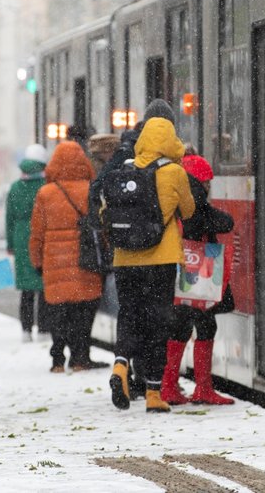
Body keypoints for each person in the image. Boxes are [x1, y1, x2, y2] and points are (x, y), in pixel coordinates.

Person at [107, 115, 195, 413]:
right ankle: (154, 392)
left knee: (130, 314)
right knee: (158, 322)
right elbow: (189, 209)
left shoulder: (124, 170)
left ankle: (121, 365)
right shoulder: (174, 172)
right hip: (161, 258)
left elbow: (106, 210)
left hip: (125, 258)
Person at [160, 154, 236, 405]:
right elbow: (220, 222)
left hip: (181, 266)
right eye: (208, 182)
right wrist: (224, 219)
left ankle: (168, 385)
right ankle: (202, 388)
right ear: (200, 180)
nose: (209, 187)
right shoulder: (194, 198)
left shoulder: (176, 192)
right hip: (197, 268)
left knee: (179, 325)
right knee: (204, 325)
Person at [29, 141, 106, 372]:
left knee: (59, 312)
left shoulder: (45, 193)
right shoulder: (91, 189)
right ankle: (81, 357)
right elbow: (101, 227)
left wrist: (36, 260)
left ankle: (57, 360)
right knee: (83, 312)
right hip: (86, 260)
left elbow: (37, 233)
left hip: (55, 262)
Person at [6, 144, 50, 342]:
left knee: (26, 288)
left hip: (21, 235)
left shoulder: (15, 187)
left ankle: (25, 329)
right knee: (42, 286)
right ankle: (43, 328)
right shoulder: (46, 185)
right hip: (42, 235)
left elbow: (9, 218)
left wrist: (11, 244)